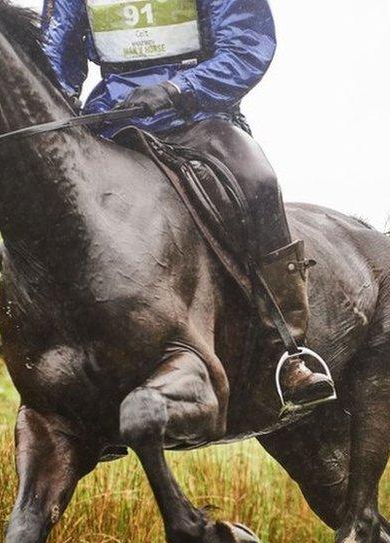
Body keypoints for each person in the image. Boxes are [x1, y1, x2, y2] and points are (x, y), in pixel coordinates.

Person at [40, 0, 334, 408]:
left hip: (200, 117)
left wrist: (179, 89)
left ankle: (287, 351)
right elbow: (55, 52)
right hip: (110, 120)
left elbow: (247, 46)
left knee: (258, 182)